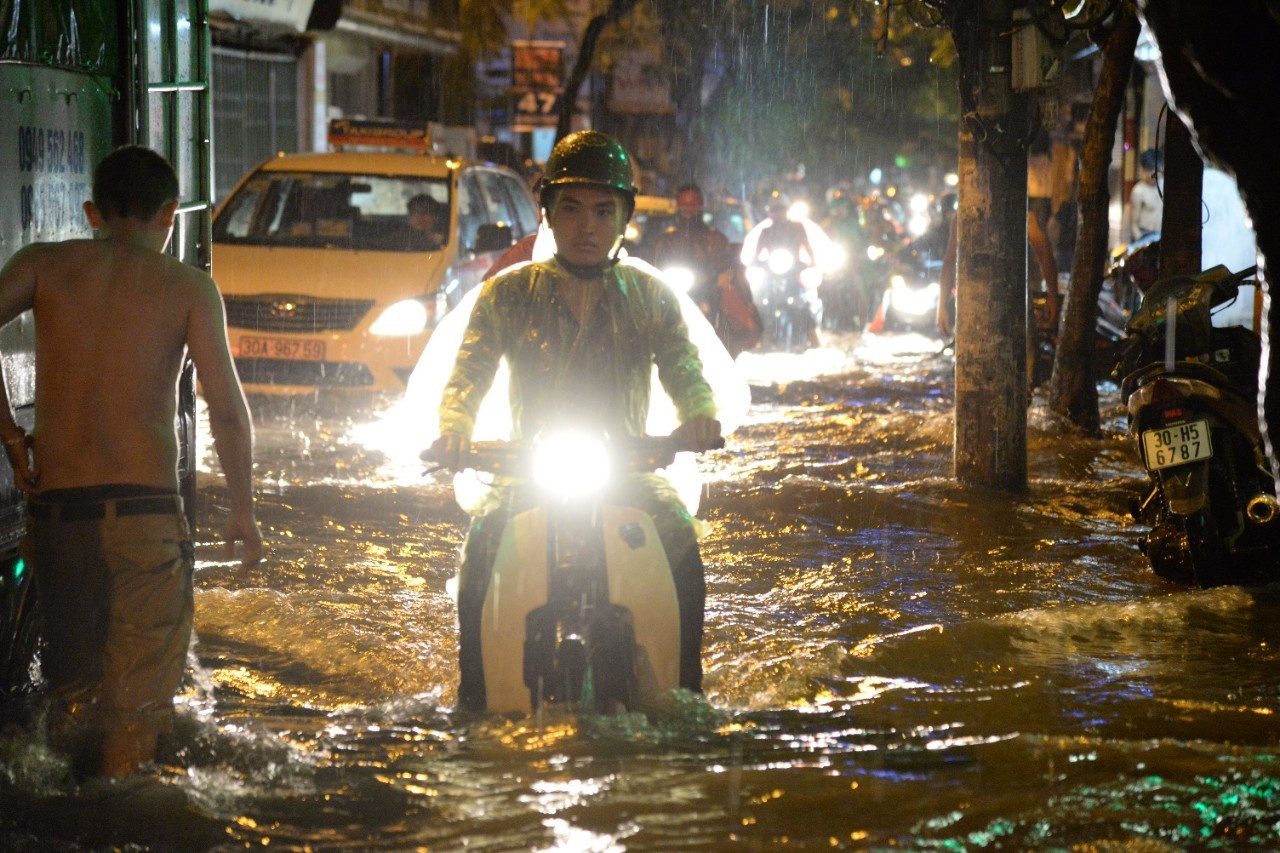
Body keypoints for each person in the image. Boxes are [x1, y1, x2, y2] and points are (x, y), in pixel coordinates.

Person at [428, 130, 723, 712]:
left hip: (630, 473)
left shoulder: (650, 296)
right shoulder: (507, 294)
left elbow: (685, 370)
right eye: (571, 208)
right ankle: (474, 697)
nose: (586, 226)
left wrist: (699, 418)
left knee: (681, 539)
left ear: (622, 221)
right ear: (548, 214)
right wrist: (454, 427)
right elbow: (469, 372)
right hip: (525, 474)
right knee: (482, 547)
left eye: (602, 211)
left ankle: (686, 692)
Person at [0, 145, 263, 781]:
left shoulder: (42, 265)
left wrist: (11, 435)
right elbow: (225, 409)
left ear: (92, 211)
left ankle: (56, 813)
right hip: (144, 516)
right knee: (137, 706)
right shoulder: (188, 287)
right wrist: (243, 510)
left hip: (58, 514)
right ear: (170, 214)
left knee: (71, 691)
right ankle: (118, 814)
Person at [651, 184, 761, 357]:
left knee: (729, 300)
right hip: (676, 290)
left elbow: (727, 261)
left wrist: (722, 275)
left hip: (710, 291)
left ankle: (731, 343)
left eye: (692, 206)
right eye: (684, 207)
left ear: (700, 207)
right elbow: (655, 266)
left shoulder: (715, 238)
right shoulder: (666, 240)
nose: (688, 211)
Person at [1127, 148, 1164, 242]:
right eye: (1149, 170)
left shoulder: (1166, 186)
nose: (1153, 173)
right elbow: (1133, 224)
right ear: (1143, 170)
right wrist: (1141, 243)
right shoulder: (1138, 191)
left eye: (1156, 169)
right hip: (1146, 235)